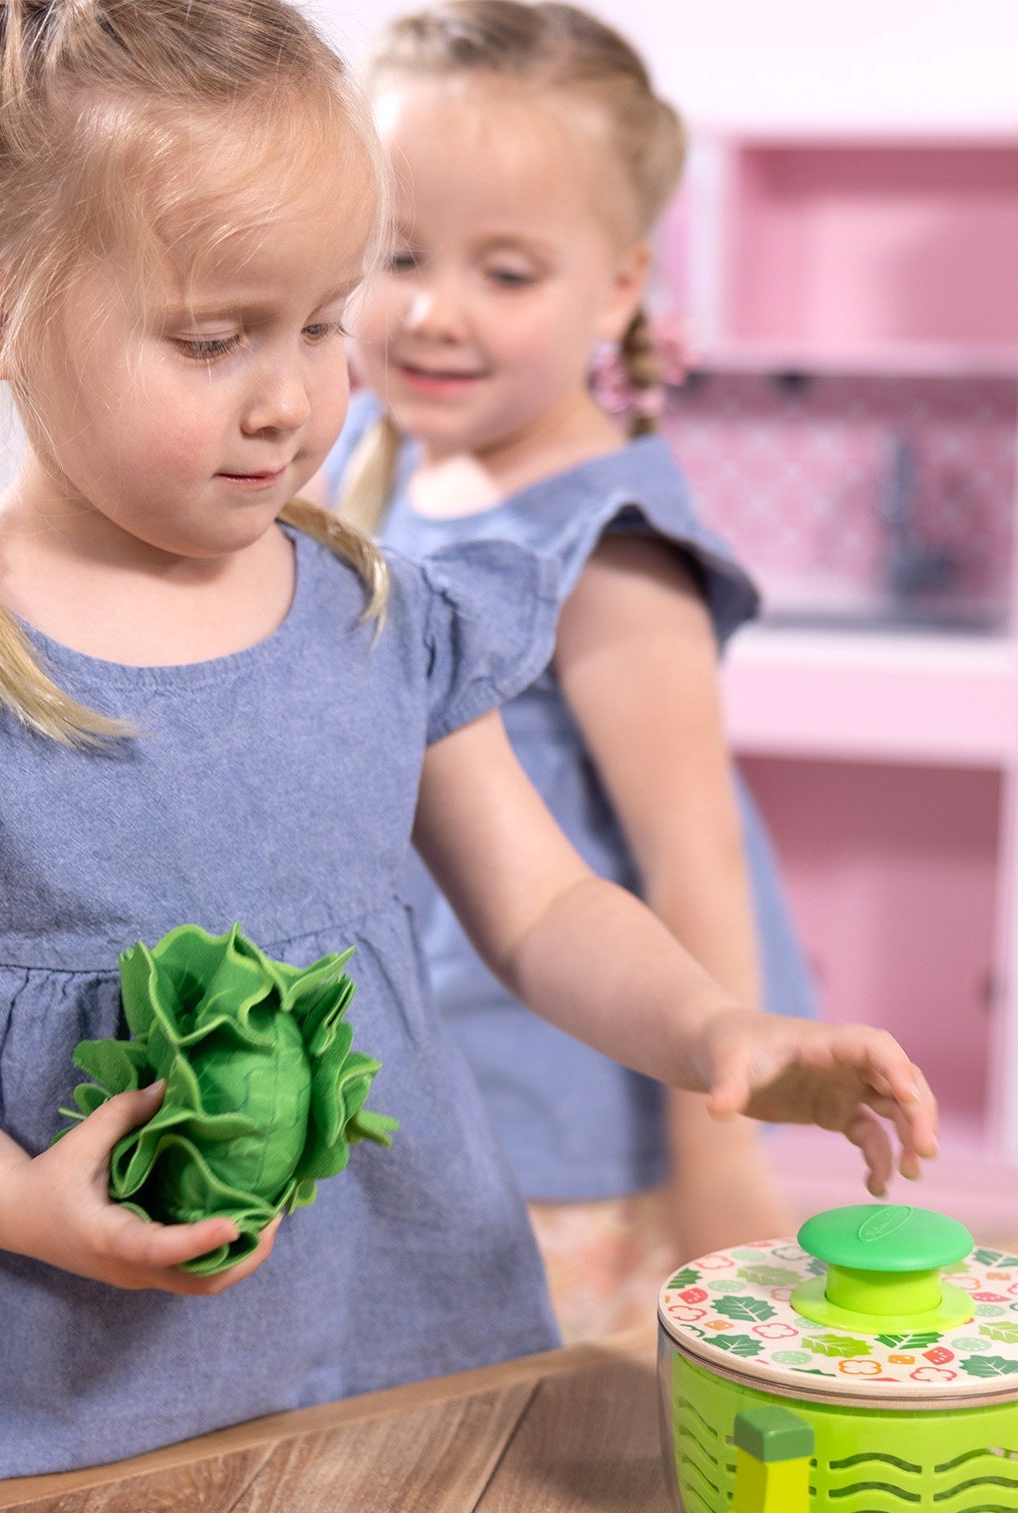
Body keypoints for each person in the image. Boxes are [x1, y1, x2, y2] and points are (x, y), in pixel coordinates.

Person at [0, 0, 936, 1513]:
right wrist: (11, 1199)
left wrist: (717, 1029)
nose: (290, 398)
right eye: (212, 337)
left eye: (320, 322)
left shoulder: (385, 612)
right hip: (24, 1393)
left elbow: (544, 908)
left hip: (369, 1338)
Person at [332, 1, 816, 1342]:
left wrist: (722, 1156)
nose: (435, 312)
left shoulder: (605, 551)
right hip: (426, 1065)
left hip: (564, 1122)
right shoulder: (376, 454)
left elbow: (698, 861)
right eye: (398, 254)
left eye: (508, 272)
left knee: (540, 1444)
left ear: (616, 286)